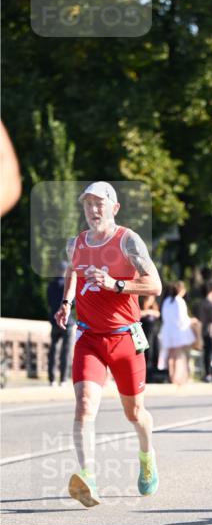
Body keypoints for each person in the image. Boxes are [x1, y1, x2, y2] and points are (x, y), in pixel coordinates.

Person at [53, 181, 162, 507]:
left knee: (135, 413)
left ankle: (146, 456)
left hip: (125, 338)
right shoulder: (77, 244)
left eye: (99, 204)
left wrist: (115, 284)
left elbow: (154, 284)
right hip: (89, 338)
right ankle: (87, 477)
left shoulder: (127, 241)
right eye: (88, 204)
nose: (93, 210)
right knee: (85, 404)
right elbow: (73, 272)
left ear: (114, 208)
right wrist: (67, 302)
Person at [160, 281, 196, 385]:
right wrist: (191, 320)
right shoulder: (179, 301)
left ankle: (172, 376)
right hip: (178, 331)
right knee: (179, 355)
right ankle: (179, 377)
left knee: (171, 355)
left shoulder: (167, 301)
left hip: (167, 330)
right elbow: (182, 319)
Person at [47, 261, 76, 386]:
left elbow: (49, 302)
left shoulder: (51, 286)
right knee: (66, 351)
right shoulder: (68, 285)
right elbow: (72, 302)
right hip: (68, 322)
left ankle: (52, 378)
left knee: (53, 350)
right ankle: (63, 379)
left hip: (54, 320)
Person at [138, 293, 161, 381]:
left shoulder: (154, 306)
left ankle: (154, 373)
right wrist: (147, 312)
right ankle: (147, 375)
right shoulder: (141, 305)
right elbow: (139, 314)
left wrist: (150, 312)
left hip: (154, 332)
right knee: (148, 353)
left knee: (156, 351)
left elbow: (158, 314)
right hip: (146, 332)